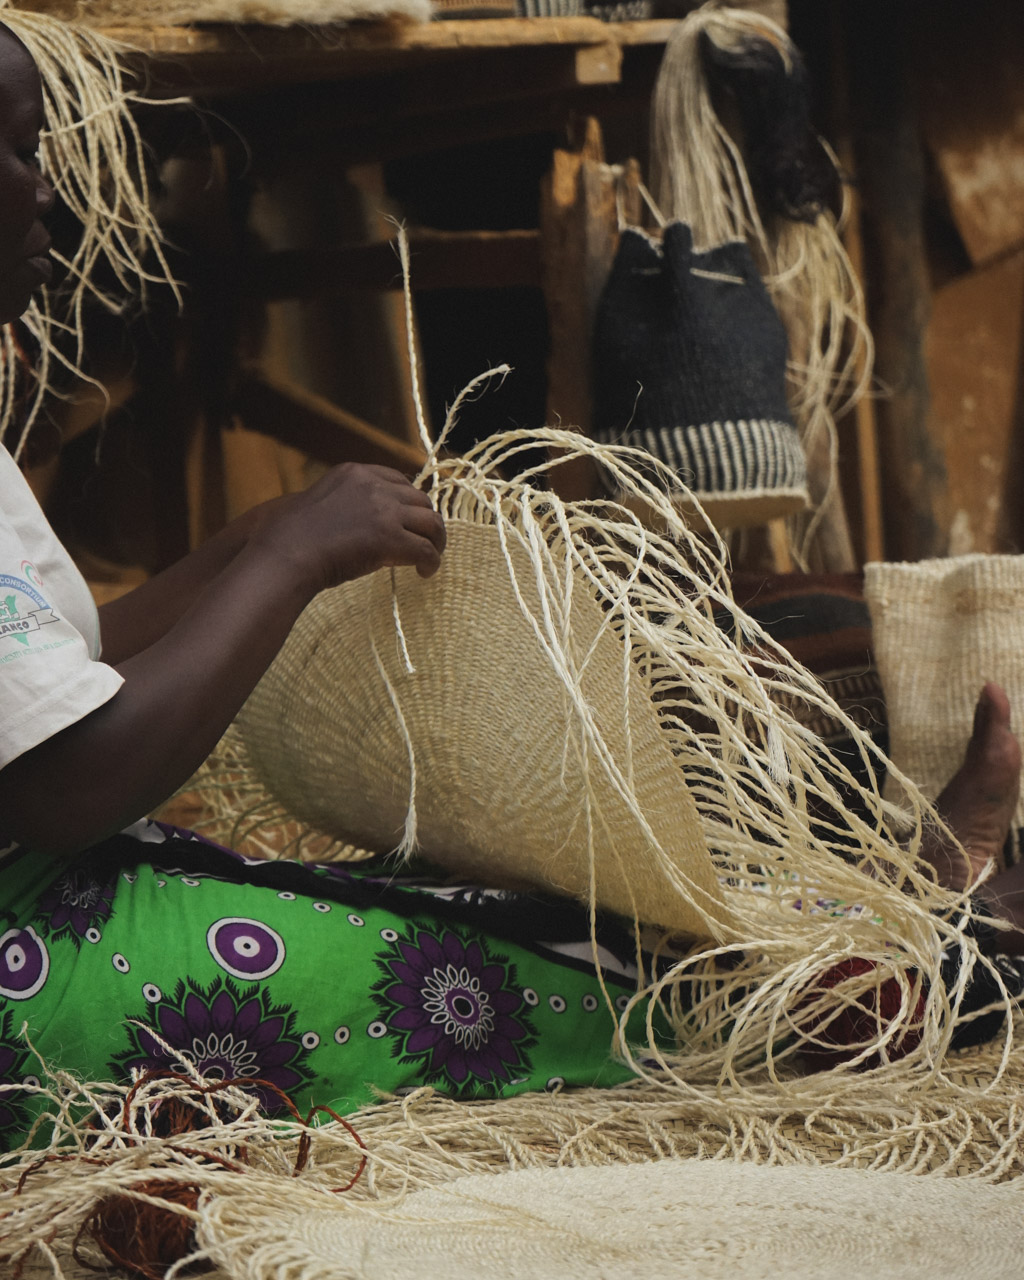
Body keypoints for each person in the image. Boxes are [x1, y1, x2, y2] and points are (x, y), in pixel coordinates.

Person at [0, 24, 653, 1150]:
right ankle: (873, 975)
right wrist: (284, 561)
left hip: (46, 912)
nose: (46, 193)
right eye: (17, 149)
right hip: (35, 993)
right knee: (526, 974)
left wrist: (256, 536)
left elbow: (65, 668)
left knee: (469, 899)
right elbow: (68, 779)